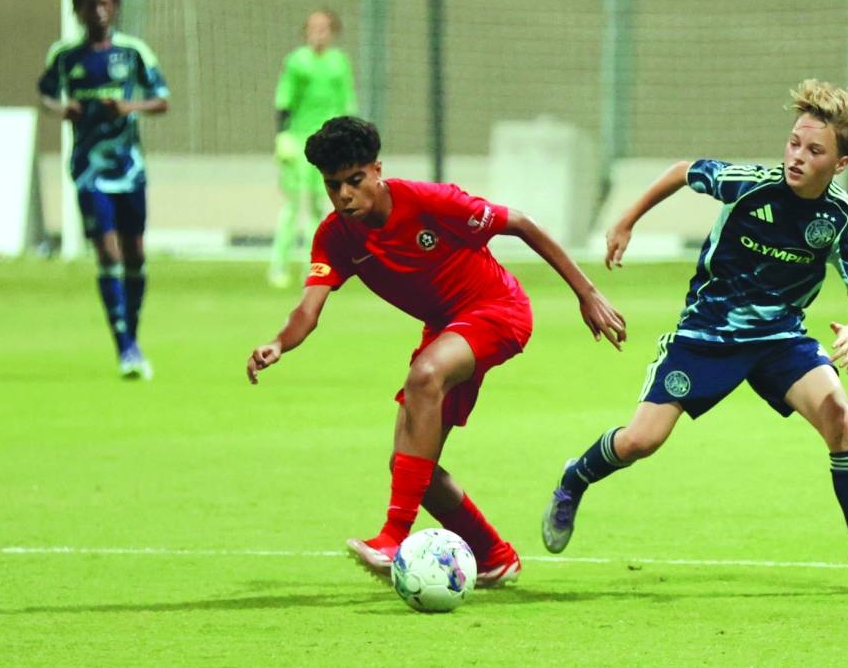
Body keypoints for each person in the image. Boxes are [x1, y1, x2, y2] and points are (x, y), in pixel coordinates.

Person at [540, 79, 848, 595]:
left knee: (843, 420)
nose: (797, 156)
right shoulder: (749, 183)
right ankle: (576, 477)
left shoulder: (836, 215)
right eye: (794, 142)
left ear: (840, 163)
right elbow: (683, 171)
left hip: (780, 339)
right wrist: (625, 220)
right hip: (707, 333)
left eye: (814, 150)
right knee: (642, 440)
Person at [247, 116, 627, 586]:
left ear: (377, 169)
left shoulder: (428, 201)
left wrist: (586, 293)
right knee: (412, 467)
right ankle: (494, 557)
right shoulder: (336, 236)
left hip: (498, 309)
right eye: (332, 185)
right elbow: (308, 309)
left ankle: (393, 536)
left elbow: (522, 224)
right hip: (447, 330)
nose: (344, 195)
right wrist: (277, 343)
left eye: (354, 180)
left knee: (425, 376)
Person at [38, 0, 170, 379]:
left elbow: (162, 100)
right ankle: (125, 346)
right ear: (76, 10)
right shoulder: (64, 55)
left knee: (135, 253)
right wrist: (63, 110)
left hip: (130, 169)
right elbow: (44, 94)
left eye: (105, 4)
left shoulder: (133, 52)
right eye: (89, 5)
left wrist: (129, 107)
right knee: (108, 252)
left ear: (114, 7)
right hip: (88, 169)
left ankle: (132, 334)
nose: (98, 11)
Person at [269, 9, 358, 288]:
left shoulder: (340, 63)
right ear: (305, 31)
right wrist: (282, 137)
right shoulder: (296, 62)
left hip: (330, 143)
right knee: (294, 204)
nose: (319, 33)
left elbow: (347, 102)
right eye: (313, 28)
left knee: (326, 206)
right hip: (299, 142)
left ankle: (319, 266)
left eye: (324, 28)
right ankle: (278, 265)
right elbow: (285, 100)